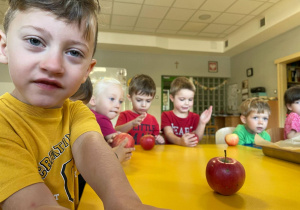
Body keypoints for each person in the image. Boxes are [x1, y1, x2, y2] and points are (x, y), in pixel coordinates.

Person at [0, 1, 166, 210]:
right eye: (35, 41)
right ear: (4, 48)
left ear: (87, 70)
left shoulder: (76, 111)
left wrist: (125, 202)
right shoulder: (3, 122)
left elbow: (91, 147)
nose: (53, 65)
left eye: (74, 52)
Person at [89, 77, 135, 162]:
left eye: (120, 101)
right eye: (112, 99)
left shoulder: (90, 115)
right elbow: (119, 144)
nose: (117, 105)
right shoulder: (101, 119)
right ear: (93, 100)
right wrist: (119, 137)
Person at [161, 77, 213, 147]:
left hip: (190, 153)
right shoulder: (166, 115)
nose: (187, 103)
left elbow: (198, 138)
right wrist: (180, 141)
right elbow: (169, 134)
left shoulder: (195, 117)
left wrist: (202, 123)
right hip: (171, 153)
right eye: (182, 99)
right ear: (172, 98)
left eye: (190, 99)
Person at [115, 74, 165, 145]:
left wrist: (159, 141)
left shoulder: (153, 120)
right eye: (139, 100)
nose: (144, 105)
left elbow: (155, 140)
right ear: (129, 98)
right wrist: (131, 124)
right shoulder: (124, 115)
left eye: (148, 101)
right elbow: (116, 131)